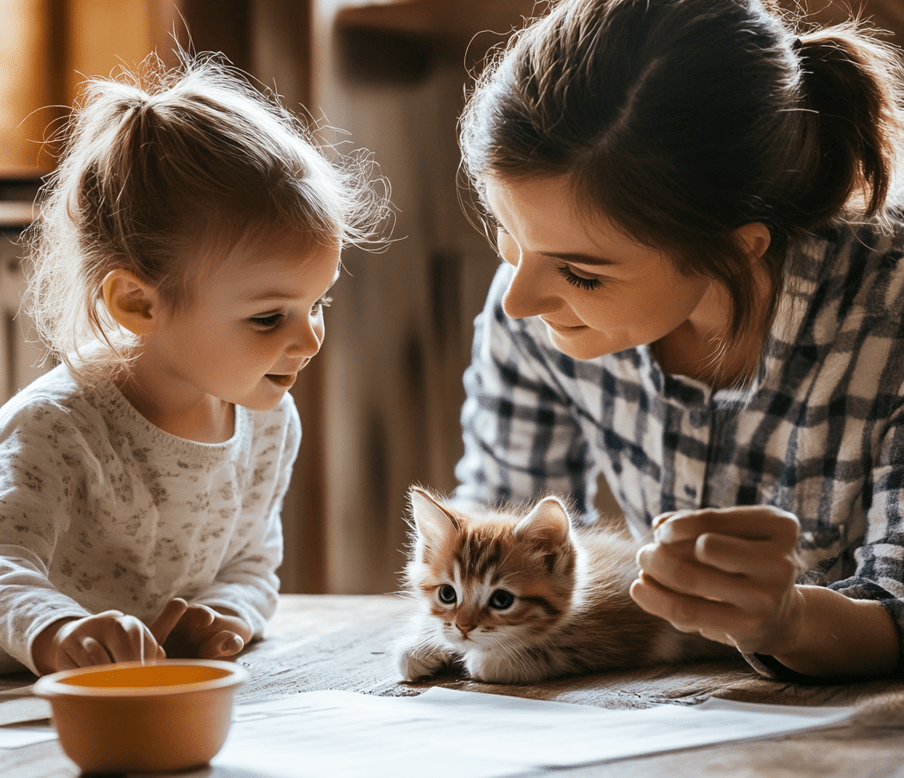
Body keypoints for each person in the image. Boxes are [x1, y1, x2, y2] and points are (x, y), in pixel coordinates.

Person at [453, 0, 904, 679]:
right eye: (508, 240)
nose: (518, 300)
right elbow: (490, 549)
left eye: (580, 272)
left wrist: (785, 620)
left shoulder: (887, 317)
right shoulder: (539, 308)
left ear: (733, 252)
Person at [1, 53, 386, 675]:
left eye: (319, 303)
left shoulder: (268, 423)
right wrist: (59, 632)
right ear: (136, 303)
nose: (311, 339)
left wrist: (225, 616)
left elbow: (251, 566)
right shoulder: (56, 428)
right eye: (269, 317)